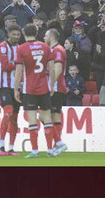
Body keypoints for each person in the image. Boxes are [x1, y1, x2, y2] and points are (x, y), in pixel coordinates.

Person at [13, 24, 53, 158]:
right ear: (36, 33)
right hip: (44, 87)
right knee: (47, 118)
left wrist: (16, 89)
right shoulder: (45, 47)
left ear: (24, 33)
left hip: (29, 88)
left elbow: (18, 72)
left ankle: (35, 151)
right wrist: (52, 85)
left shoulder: (21, 48)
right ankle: (50, 150)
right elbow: (52, 68)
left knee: (32, 120)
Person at [0, 24, 22, 156]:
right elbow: (5, 66)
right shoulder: (2, 46)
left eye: (18, 35)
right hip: (4, 85)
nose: (16, 37)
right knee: (8, 113)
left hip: (16, 86)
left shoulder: (19, 48)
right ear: (8, 34)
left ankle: (11, 148)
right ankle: (1, 146)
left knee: (15, 118)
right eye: (14, 34)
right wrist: (19, 66)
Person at [44, 28, 69, 156]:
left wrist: (50, 86)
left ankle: (58, 143)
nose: (44, 38)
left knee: (44, 117)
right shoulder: (54, 49)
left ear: (51, 37)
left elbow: (58, 70)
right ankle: (57, 145)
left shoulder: (58, 50)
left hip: (56, 87)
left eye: (45, 36)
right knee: (54, 117)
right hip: (56, 87)